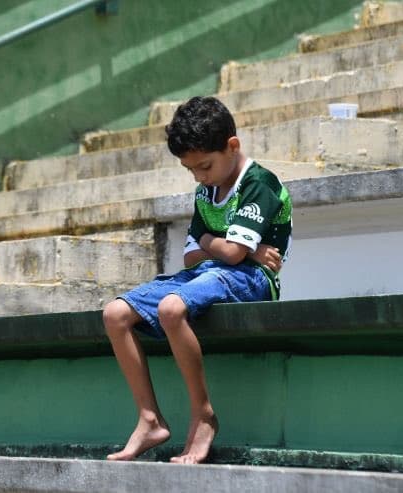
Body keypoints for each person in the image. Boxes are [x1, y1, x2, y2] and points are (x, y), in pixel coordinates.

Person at [102, 96, 292, 464]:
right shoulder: (206, 190)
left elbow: (233, 257)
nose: (199, 177)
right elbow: (192, 256)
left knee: (172, 309)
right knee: (115, 314)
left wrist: (221, 245)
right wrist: (235, 247)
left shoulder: (259, 183)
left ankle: (203, 415)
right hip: (206, 274)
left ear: (232, 146)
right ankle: (149, 419)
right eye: (190, 170)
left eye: (204, 166)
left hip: (252, 279)